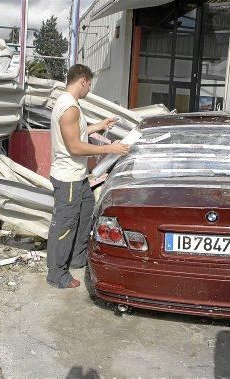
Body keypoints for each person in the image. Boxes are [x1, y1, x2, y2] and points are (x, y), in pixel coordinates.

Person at [47, 64, 130, 289]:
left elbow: (77, 132)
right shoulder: (70, 108)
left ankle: (77, 258)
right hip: (69, 179)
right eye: (89, 84)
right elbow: (74, 146)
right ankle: (57, 274)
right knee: (64, 225)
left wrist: (100, 125)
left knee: (85, 213)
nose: (89, 89)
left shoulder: (71, 105)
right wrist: (111, 149)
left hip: (79, 177)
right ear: (83, 80)